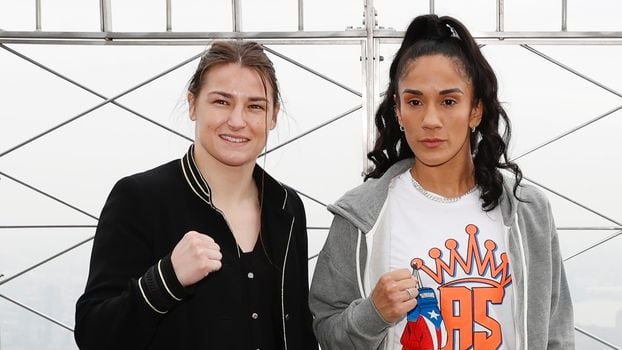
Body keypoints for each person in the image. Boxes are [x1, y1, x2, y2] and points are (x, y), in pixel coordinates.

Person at [309, 14, 574, 350]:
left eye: (449, 101)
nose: (431, 120)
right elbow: (324, 331)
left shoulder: (528, 212)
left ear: (475, 110)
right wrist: (373, 313)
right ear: (398, 111)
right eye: (415, 102)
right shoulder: (361, 216)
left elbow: (556, 331)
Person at [75, 40, 318, 350]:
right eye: (221, 102)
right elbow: (93, 333)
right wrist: (166, 279)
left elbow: (298, 330)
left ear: (273, 116)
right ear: (192, 104)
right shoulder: (139, 199)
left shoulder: (287, 207)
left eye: (255, 106)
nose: (237, 120)